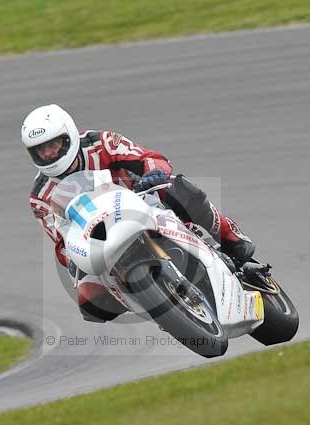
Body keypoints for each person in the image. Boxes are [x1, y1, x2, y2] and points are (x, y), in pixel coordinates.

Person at [23, 104, 255, 322]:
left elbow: (149, 158)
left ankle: (230, 235)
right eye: (41, 150)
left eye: (53, 145)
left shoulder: (101, 142)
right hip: (100, 241)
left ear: (69, 136)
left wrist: (153, 173)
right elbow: (60, 241)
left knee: (178, 189)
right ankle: (155, 306)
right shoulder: (40, 196)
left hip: (142, 201)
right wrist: (71, 259)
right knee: (89, 300)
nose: (49, 154)